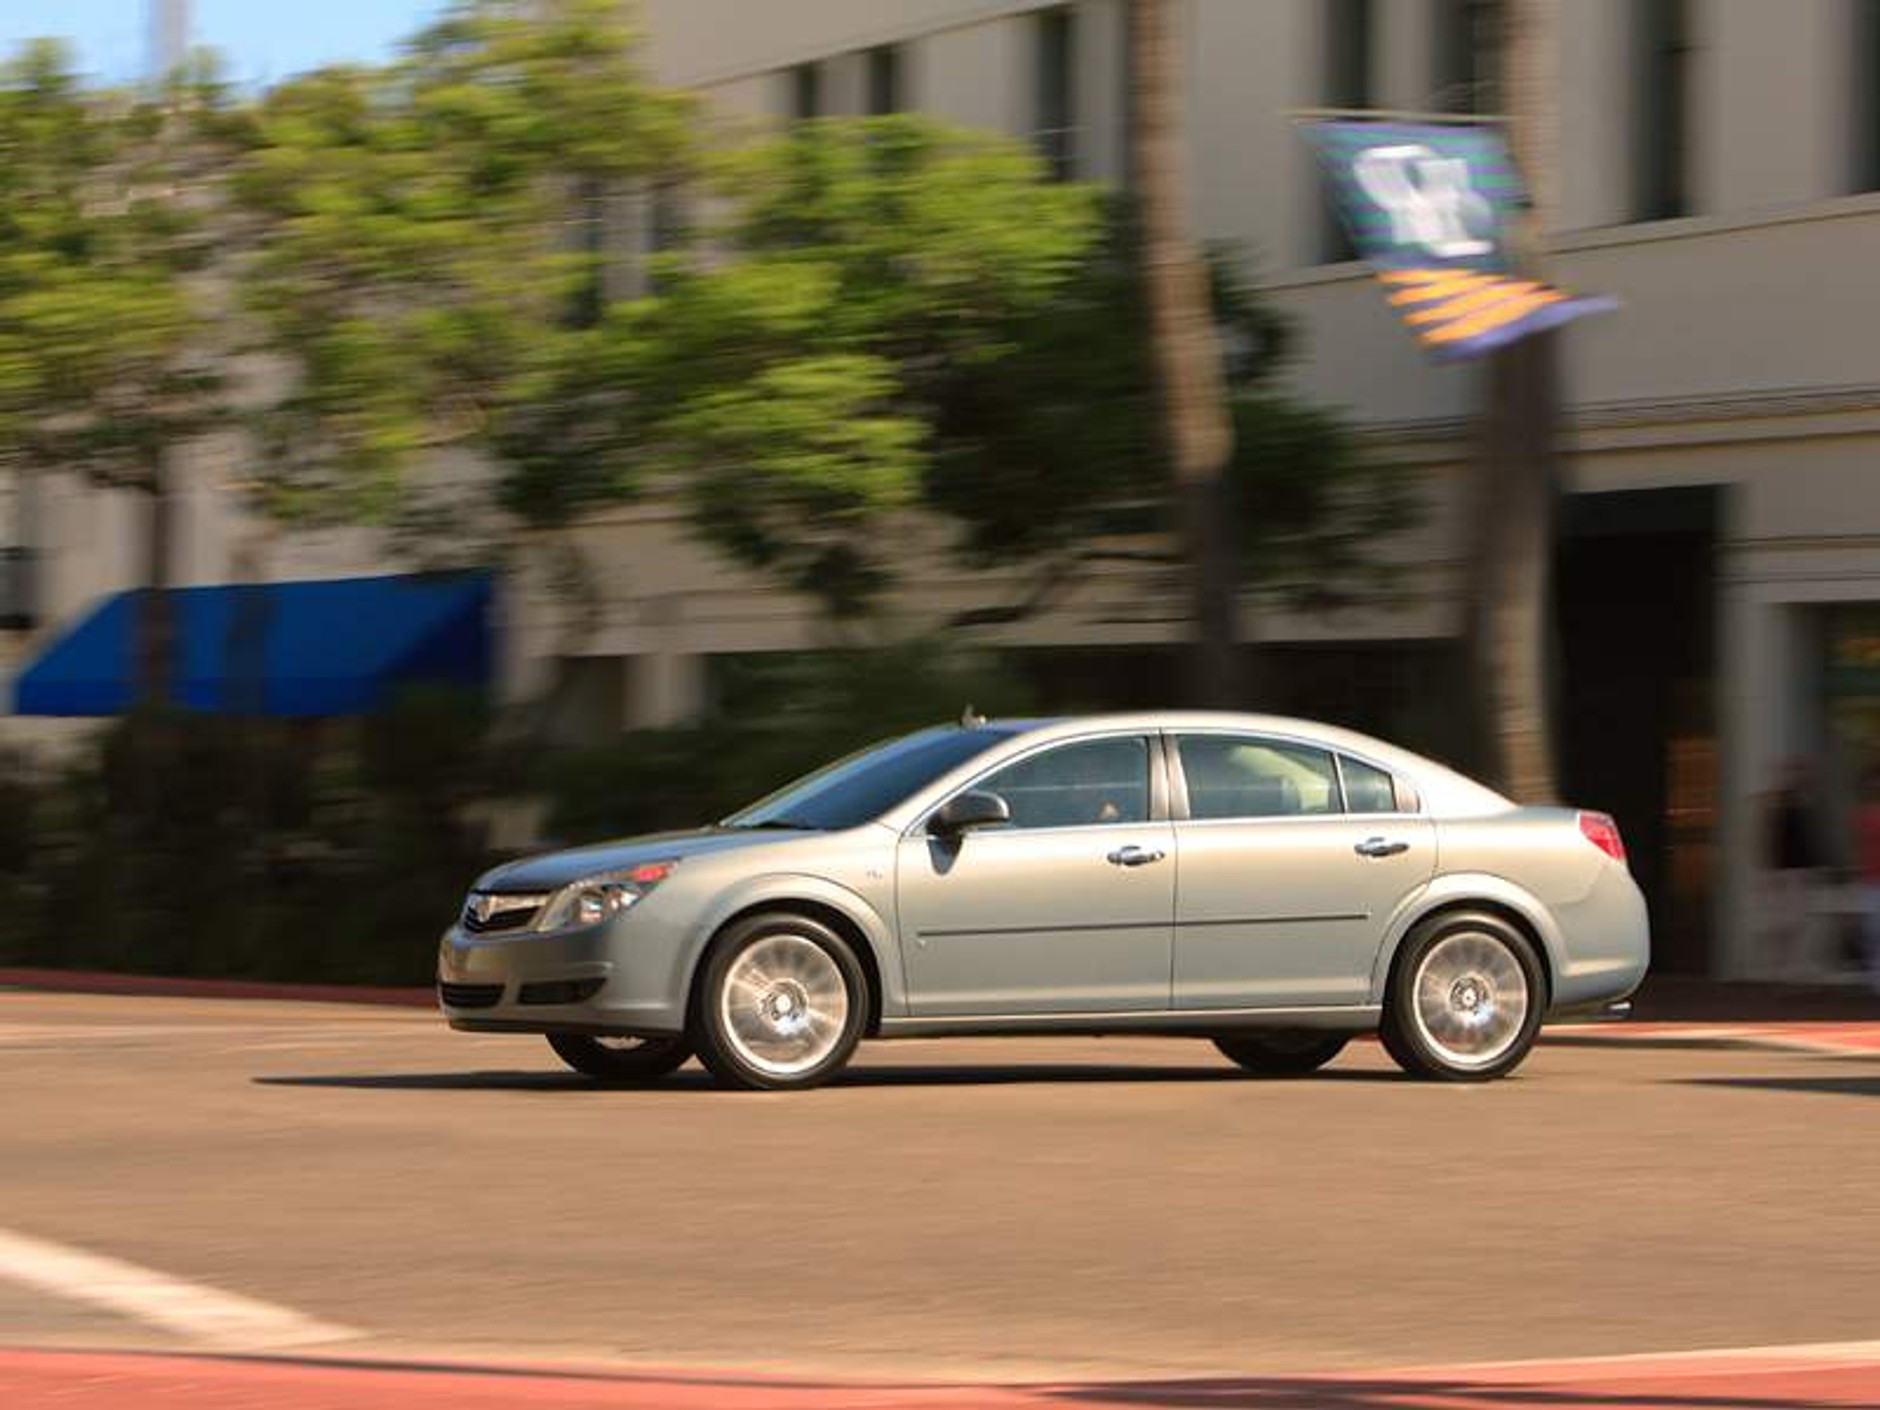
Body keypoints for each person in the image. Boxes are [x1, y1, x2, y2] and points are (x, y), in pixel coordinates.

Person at [1762, 758, 1824, 979]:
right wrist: (1773, 871)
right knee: (1793, 919)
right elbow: (1778, 840)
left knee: (1797, 918)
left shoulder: (1799, 805)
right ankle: (1787, 965)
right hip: (1791, 871)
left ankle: (1791, 964)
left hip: (1797, 870)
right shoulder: (1787, 806)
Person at [1857, 766, 1880, 994]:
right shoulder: (1864, 816)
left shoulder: (1864, 816)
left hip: (1872, 879)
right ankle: (1875, 979)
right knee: (1872, 931)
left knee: (1873, 930)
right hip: (1871, 879)